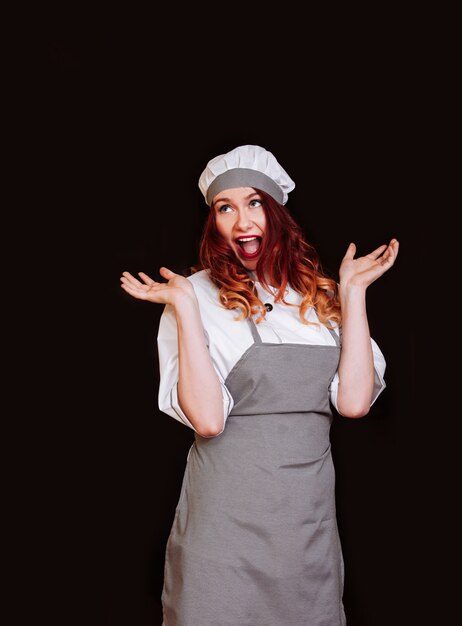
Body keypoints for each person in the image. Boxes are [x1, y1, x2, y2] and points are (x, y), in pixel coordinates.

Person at [120, 145, 399, 626]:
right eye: (225, 207)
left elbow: (353, 403)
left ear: (277, 212)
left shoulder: (324, 295)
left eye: (254, 203)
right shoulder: (193, 296)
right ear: (214, 222)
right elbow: (208, 420)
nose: (242, 220)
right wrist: (184, 308)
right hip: (223, 525)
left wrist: (354, 292)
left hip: (305, 525)